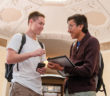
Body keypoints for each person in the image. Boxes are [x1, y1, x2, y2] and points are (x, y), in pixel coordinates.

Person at [48, 14, 100, 96]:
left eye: (71, 26)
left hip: (84, 91)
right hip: (69, 90)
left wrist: (63, 68)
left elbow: (88, 70)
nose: (68, 30)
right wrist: (58, 67)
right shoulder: (73, 45)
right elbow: (71, 68)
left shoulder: (92, 41)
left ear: (80, 26)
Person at [6, 11, 46, 96]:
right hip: (21, 85)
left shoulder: (41, 45)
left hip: (38, 89)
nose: (42, 27)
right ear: (31, 22)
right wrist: (32, 54)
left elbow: (43, 63)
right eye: (40, 23)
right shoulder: (19, 37)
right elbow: (9, 59)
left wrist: (43, 69)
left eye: (43, 24)